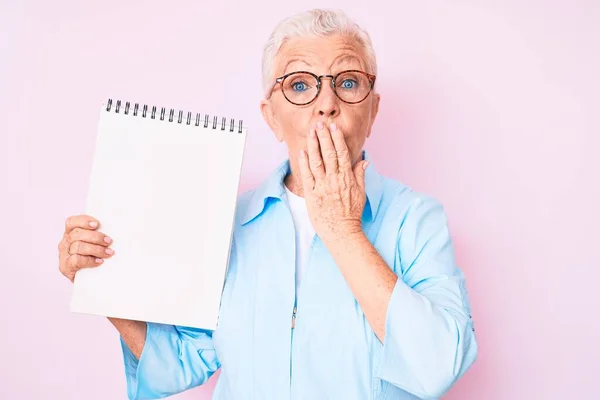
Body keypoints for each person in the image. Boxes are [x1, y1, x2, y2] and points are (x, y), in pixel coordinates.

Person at [58, 8, 477, 400]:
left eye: (347, 82)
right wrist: (100, 284)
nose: (326, 103)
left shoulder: (416, 219)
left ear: (372, 111)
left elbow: (436, 365)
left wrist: (343, 229)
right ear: (271, 117)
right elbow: (183, 361)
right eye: (299, 85)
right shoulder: (229, 221)